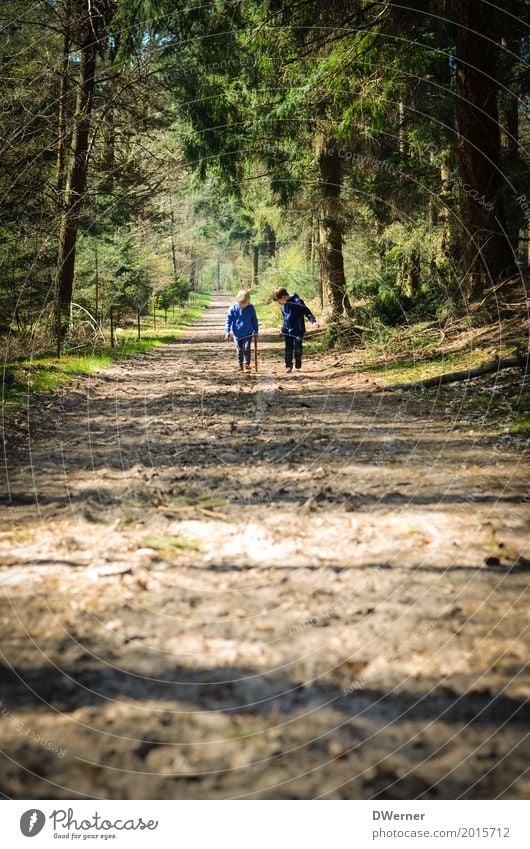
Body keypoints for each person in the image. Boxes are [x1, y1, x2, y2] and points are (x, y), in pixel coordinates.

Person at [272, 287, 319, 373]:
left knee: (298, 347)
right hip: (287, 331)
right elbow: (285, 319)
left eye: (278, 301)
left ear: (283, 297)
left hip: (298, 329)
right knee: (288, 349)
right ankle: (288, 366)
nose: (279, 303)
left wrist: (313, 321)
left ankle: (298, 359)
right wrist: (282, 329)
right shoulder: (283, 306)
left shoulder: (297, 301)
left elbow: (306, 311)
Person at [224, 289, 259, 373]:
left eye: (245, 304)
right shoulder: (233, 308)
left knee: (246, 348)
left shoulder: (251, 308)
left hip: (248, 333)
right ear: (237, 301)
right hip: (237, 334)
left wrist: (256, 331)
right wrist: (227, 331)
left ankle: (246, 364)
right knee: (239, 350)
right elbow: (228, 320)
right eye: (241, 304)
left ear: (248, 301)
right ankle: (240, 365)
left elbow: (254, 320)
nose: (243, 306)